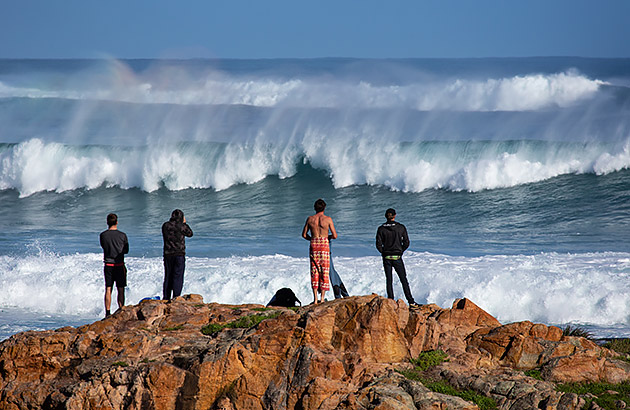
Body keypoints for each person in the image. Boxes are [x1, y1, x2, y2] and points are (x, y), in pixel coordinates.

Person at [375, 208, 418, 307]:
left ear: (386, 216)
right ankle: (411, 301)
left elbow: (378, 245)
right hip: (397, 257)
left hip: (387, 257)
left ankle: (391, 301)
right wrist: (400, 251)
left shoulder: (381, 228)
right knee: (403, 279)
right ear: (395, 216)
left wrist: (384, 253)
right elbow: (406, 242)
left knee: (389, 280)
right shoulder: (401, 227)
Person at [302, 199, 337, 304]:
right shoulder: (328, 219)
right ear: (324, 208)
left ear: (315, 208)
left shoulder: (310, 219)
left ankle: (315, 299)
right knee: (324, 271)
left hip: (314, 245)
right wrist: (327, 237)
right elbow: (335, 235)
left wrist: (312, 239)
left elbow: (304, 235)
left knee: (314, 270)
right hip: (324, 245)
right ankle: (322, 298)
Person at [99, 213, 129, 317]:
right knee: (120, 289)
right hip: (119, 264)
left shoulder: (103, 235)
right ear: (117, 222)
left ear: (107, 222)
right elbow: (126, 250)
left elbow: (103, 246)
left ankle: (107, 312)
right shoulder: (122, 235)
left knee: (108, 288)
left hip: (108, 265)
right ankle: (121, 310)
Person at [162, 209, 193, 300]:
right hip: (179, 254)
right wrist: (184, 223)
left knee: (168, 276)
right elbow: (190, 234)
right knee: (178, 276)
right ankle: (176, 297)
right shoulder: (182, 226)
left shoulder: (165, 225)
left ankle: (166, 297)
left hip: (168, 254)